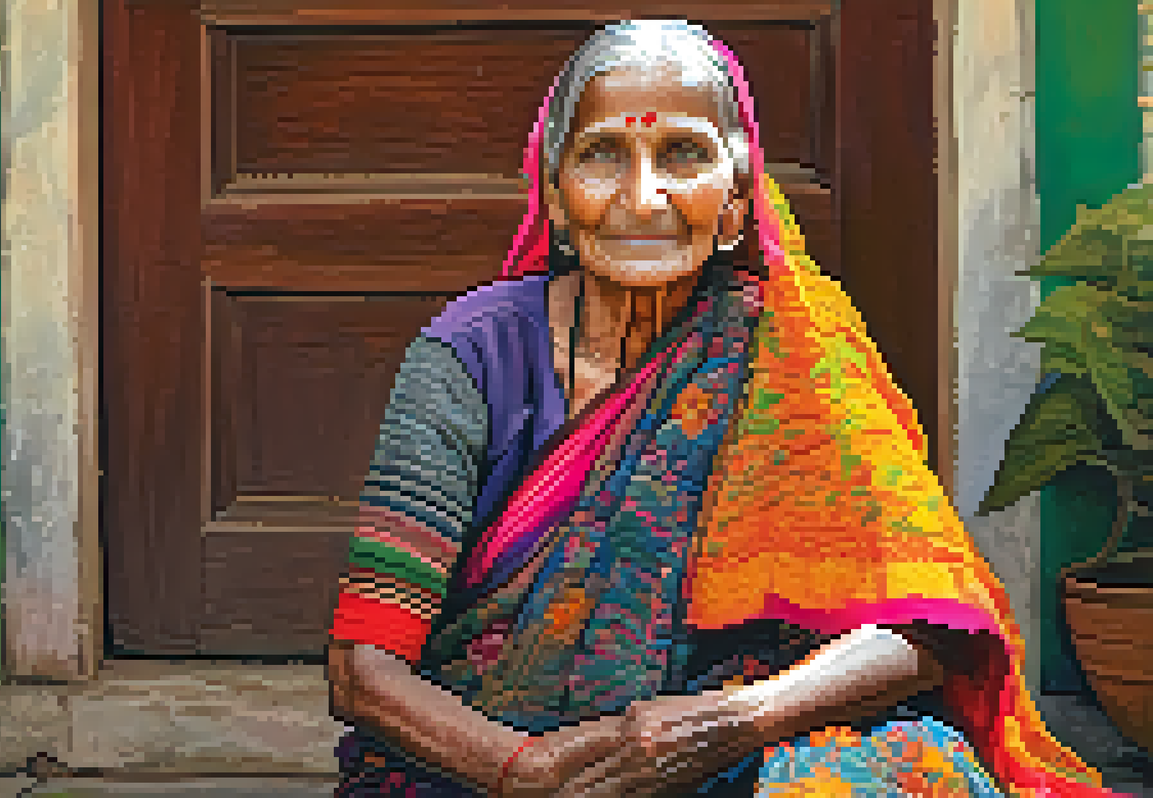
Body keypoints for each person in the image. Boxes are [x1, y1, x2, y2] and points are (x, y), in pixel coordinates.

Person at [324, 19, 1119, 798]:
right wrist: (524, 771)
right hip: (503, 755)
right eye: (603, 154)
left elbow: (925, 631)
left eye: (683, 154)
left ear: (739, 198)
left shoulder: (793, 349)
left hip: (733, 738)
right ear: (555, 196)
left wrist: (733, 720)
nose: (643, 197)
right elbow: (365, 669)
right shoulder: (472, 356)